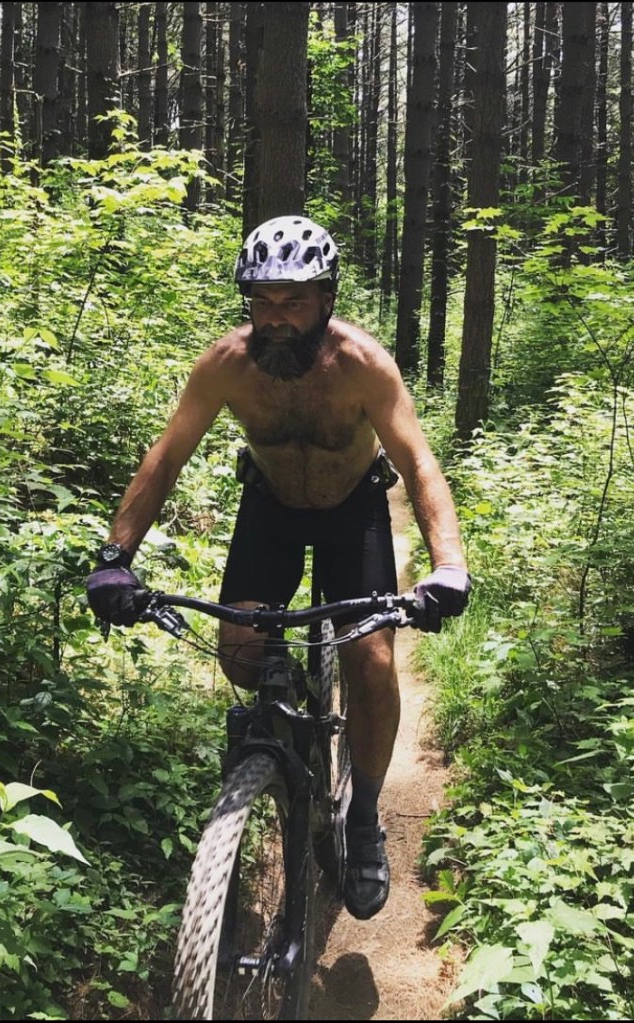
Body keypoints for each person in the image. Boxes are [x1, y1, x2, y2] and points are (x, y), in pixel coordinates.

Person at [87, 214, 471, 921]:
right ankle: (289, 713)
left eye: (293, 300)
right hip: (271, 507)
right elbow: (166, 457)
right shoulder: (226, 365)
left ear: (325, 298)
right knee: (240, 653)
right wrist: (116, 558)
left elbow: (418, 463)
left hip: (353, 511)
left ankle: (363, 818)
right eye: (262, 301)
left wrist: (447, 564)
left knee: (372, 662)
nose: (277, 318)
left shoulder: (362, 364)